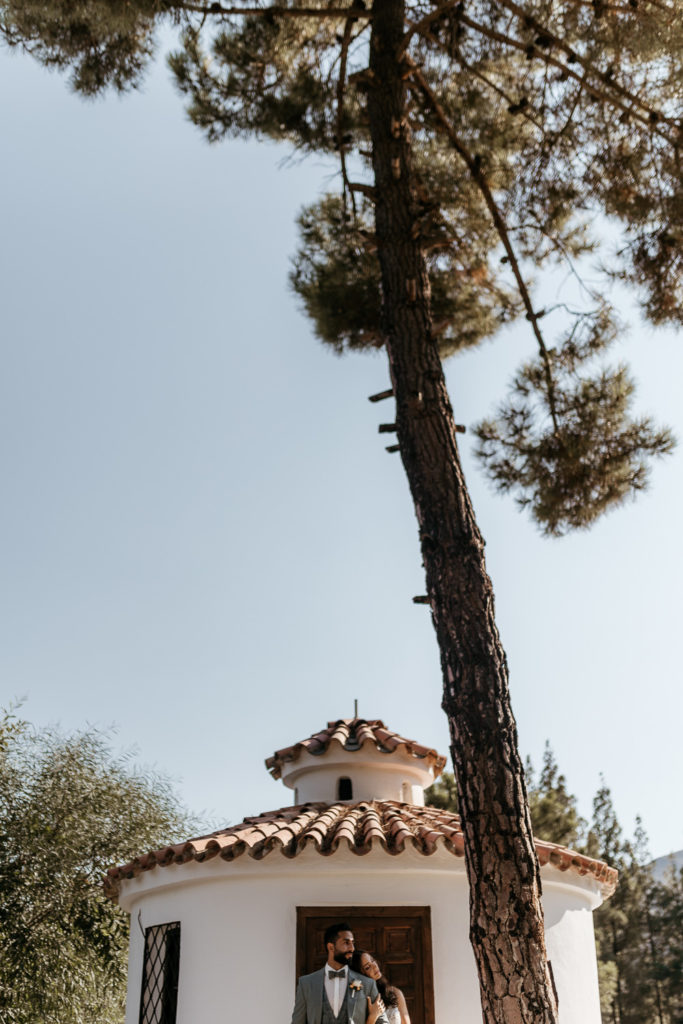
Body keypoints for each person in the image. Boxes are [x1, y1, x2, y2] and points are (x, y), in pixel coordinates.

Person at [291, 923, 388, 1024]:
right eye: (346, 943)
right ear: (331, 947)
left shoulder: (368, 984)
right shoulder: (306, 983)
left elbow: (383, 1022)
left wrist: (371, 1019)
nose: (352, 948)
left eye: (352, 943)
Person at [349, 951, 411, 1024]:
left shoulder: (395, 993)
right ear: (360, 975)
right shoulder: (357, 1001)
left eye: (372, 961)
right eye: (367, 967)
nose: (374, 966)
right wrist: (373, 1017)